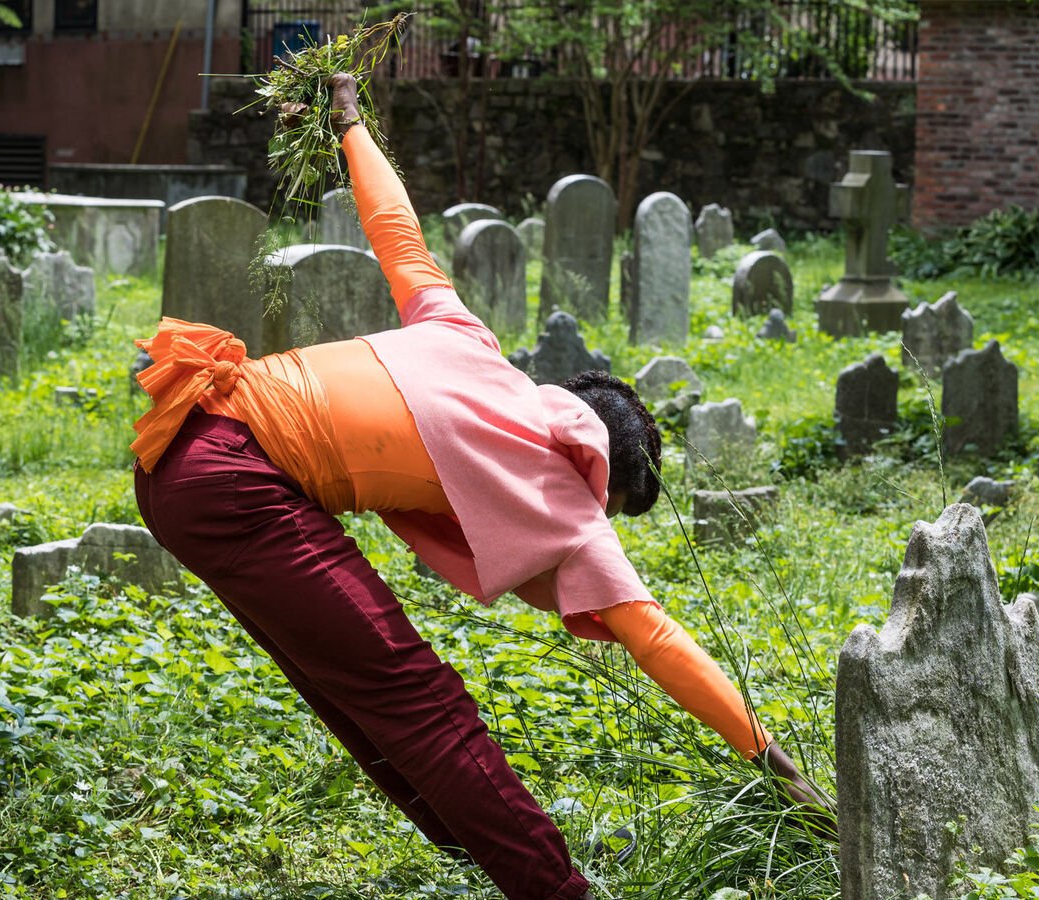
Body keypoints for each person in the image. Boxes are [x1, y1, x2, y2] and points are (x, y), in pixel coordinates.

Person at [130, 74, 829, 900]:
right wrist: (777, 763)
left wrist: (352, 123)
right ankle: (554, 890)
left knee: (354, 692)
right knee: (419, 701)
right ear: (603, 485)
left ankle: (479, 844)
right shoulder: (569, 505)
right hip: (238, 482)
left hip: (178, 444)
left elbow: (397, 232)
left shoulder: (469, 339)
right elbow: (660, 643)